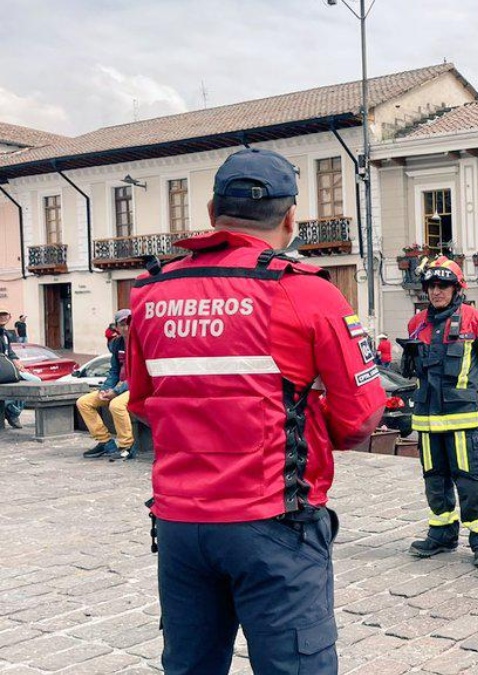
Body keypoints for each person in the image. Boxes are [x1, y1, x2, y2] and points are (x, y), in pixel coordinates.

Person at [125, 147, 385, 674]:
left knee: (190, 666)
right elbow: (361, 416)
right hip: (273, 522)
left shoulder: (150, 292)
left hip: (179, 524)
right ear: (291, 219)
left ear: (210, 210)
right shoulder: (305, 291)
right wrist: (307, 421)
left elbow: (142, 401)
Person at [404, 256, 478, 567]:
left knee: (472, 481)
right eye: (432, 286)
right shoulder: (416, 323)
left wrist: (473, 393)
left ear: (456, 289)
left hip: (465, 421)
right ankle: (442, 533)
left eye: (443, 286)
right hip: (427, 420)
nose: (437, 292)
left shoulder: (477, 321)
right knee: (434, 480)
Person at [78, 309, 135, 460]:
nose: (126, 328)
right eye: (122, 324)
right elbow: (114, 371)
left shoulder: (142, 342)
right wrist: (105, 389)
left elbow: (140, 375)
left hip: (137, 386)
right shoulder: (117, 343)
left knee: (116, 405)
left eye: (129, 323)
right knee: (83, 402)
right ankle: (106, 442)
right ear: (116, 327)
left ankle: (126, 446)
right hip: (119, 386)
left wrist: (117, 391)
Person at [0, 310, 40, 428]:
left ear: (10, 317)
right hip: (3, 370)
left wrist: (17, 361)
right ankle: (12, 412)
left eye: (4, 314)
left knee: (35, 380)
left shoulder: (6, 333)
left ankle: (12, 410)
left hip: (7, 369)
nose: (2, 317)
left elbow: (10, 352)